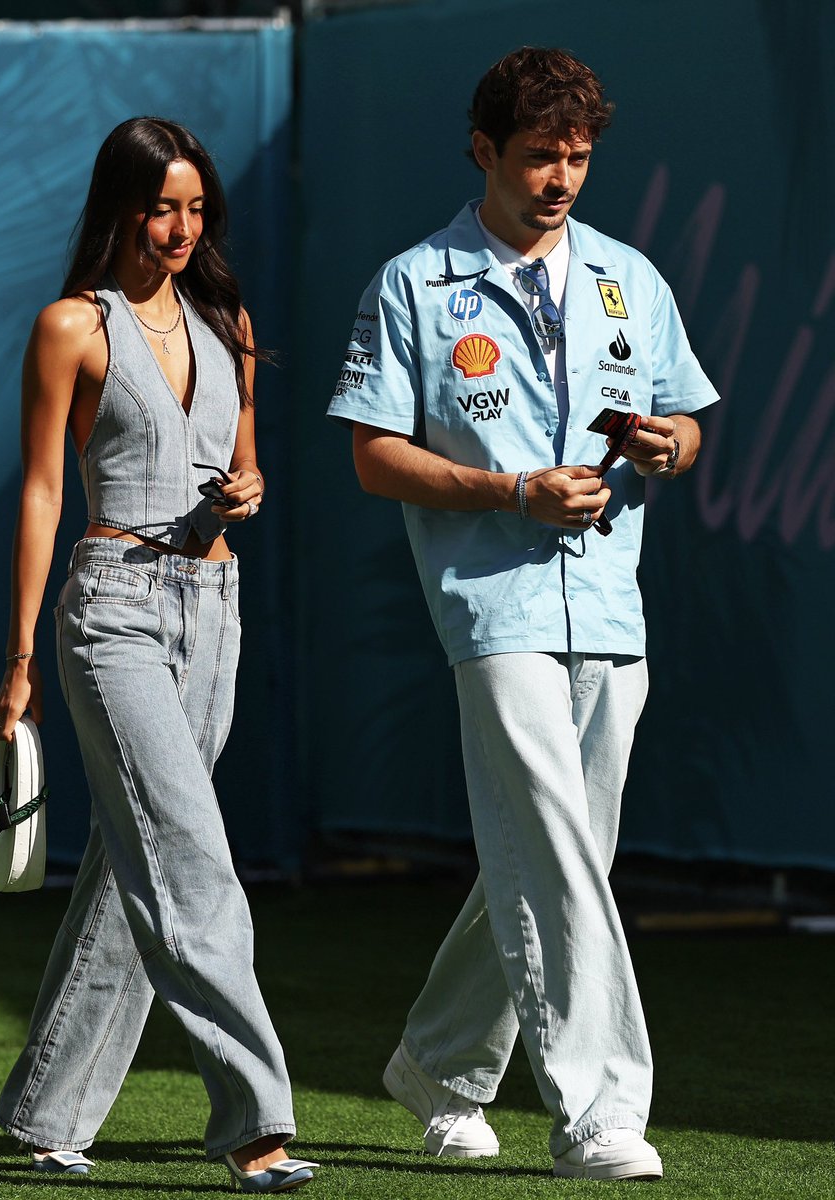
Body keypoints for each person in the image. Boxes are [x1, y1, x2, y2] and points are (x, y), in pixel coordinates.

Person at [328, 47, 718, 1180]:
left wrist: (667, 444)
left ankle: (440, 1066)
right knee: (552, 842)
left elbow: (688, 424)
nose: (561, 177)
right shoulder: (412, 282)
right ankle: (601, 1113)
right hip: (488, 606)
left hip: (610, 603)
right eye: (540, 155)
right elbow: (372, 456)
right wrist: (510, 491)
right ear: (483, 150)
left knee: (563, 854)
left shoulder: (629, 277)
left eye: (579, 158)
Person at [0, 117, 317, 1194]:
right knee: (192, 865)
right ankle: (256, 1124)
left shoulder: (229, 321)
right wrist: (20, 655)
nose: (181, 228)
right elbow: (41, 491)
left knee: (140, 866)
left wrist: (247, 493)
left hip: (214, 606)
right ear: (121, 208)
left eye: (195, 208)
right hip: (114, 610)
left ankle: (47, 1115)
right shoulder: (73, 326)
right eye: (161, 207)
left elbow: (249, 467)